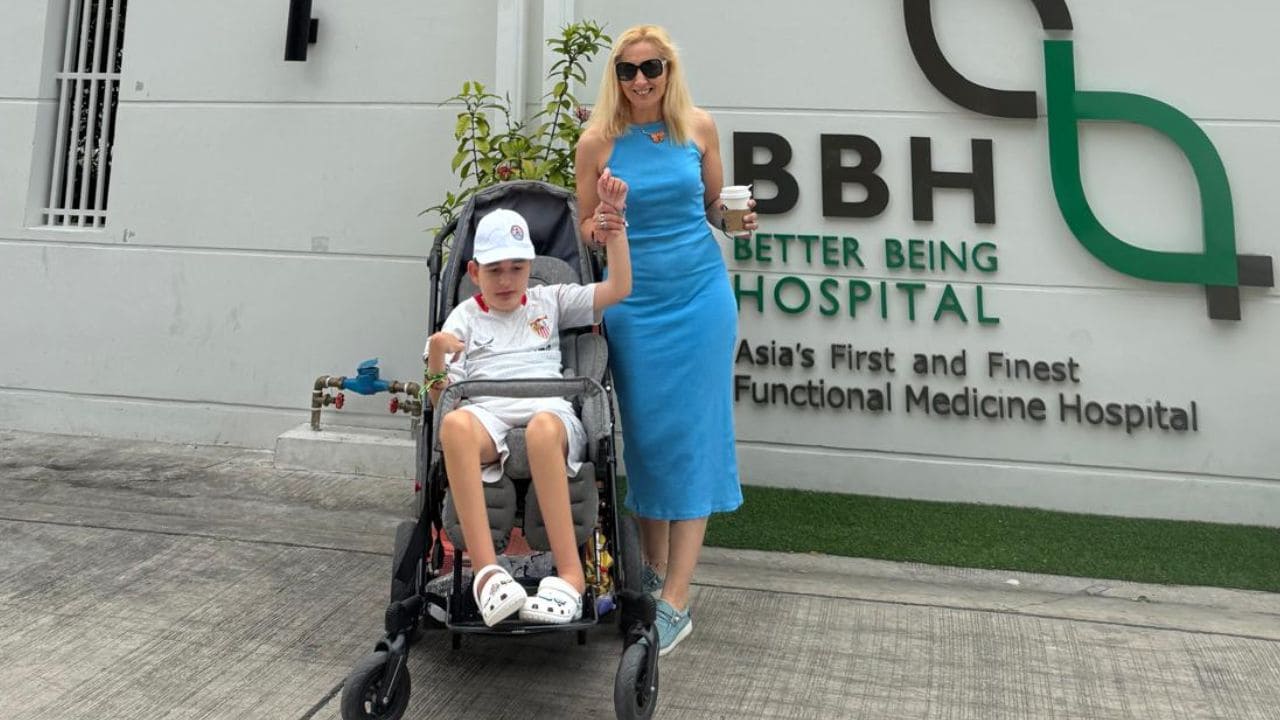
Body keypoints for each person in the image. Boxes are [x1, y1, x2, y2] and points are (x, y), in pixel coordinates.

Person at [574, 24, 758, 655]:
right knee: (648, 439)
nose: (642, 80)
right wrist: (602, 218)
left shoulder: (698, 128)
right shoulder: (596, 141)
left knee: (696, 438)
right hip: (633, 304)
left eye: (652, 68)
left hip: (701, 300)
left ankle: (676, 597)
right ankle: (651, 570)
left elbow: (714, 209)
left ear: (669, 71)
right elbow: (585, 231)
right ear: (615, 78)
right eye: (629, 71)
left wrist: (739, 220)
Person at [423, 173, 631, 627]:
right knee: (453, 425)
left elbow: (617, 291)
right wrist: (437, 357)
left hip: (549, 410)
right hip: (485, 411)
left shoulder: (548, 301)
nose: (506, 279)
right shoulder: (464, 317)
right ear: (474, 272)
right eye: (494, 270)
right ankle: (487, 574)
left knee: (540, 430)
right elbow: (442, 398)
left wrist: (615, 229)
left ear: (530, 267)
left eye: (516, 268)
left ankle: (572, 578)